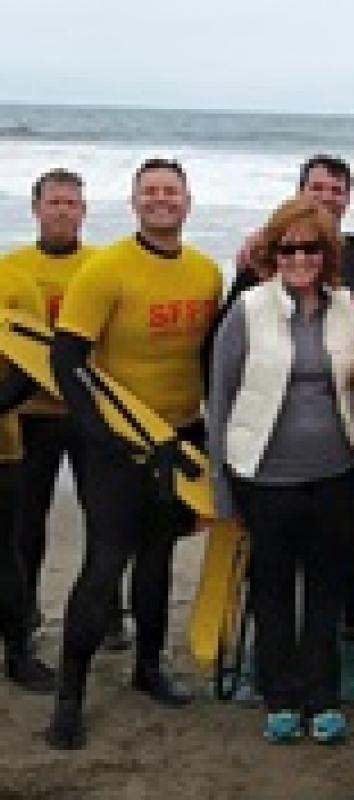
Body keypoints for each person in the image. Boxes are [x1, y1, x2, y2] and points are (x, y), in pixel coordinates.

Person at [45, 158, 222, 750]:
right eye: (150, 192)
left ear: (188, 202)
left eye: (171, 191)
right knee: (105, 562)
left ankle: (150, 667)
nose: (161, 200)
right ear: (134, 202)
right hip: (116, 448)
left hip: (180, 438)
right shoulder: (104, 270)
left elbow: (207, 360)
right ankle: (69, 696)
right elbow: (66, 361)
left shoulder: (205, 273)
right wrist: (101, 435)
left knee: (159, 558)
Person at [217, 154, 354, 700]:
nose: (300, 258)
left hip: (338, 474)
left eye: (311, 249)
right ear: (273, 253)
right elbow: (220, 396)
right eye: (288, 249)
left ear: (327, 255)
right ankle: (277, 695)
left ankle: (321, 693)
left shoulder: (347, 306)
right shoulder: (247, 307)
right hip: (265, 475)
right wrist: (223, 484)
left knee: (326, 590)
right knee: (270, 590)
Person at [0, 169, 128, 648]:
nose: (63, 211)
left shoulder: (102, 265)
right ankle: (24, 615)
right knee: (26, 524)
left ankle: (109, 617)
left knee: (105, 517)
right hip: (30, 412)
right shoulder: (11, 267)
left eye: (72, 203)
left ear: (84, 211)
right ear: (36, 209)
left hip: (89, 410)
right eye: (54, 202)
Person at [0, 265, 57, 692]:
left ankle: (18, 653)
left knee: (7, 554)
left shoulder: (17, 281)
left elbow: (34, 362)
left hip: (3, 447)